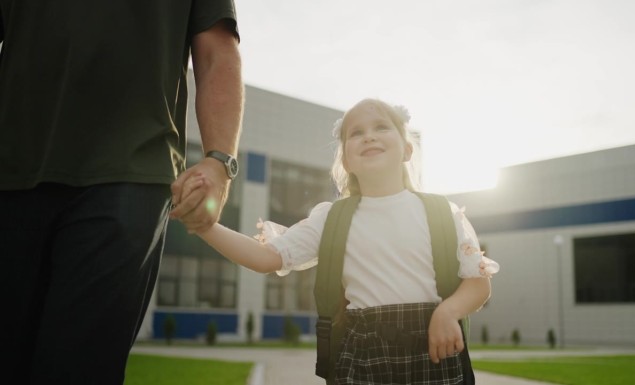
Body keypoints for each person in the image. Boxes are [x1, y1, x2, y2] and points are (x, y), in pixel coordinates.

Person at [0, 1, 243, 384]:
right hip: (11, 172)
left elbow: (217, 50)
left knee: (76, 368)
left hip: (131, 173)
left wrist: (219, 160)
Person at [175, 98, 499, 384]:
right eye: (355, 133)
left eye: (381, 127)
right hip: (361, 355)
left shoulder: (442, 212)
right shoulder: (333, 218)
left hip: (435, 349)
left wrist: (448, 312)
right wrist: (205, 226)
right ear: (345, 159)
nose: (368, 135)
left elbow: (478, 283)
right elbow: (266, 258)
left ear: (407, 148)